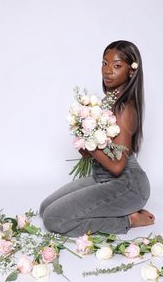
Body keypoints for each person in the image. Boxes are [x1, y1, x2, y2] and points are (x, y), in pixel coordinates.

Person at [39, 40, 155, 237]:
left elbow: (118, 166)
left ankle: (129, 219)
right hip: (103, 177)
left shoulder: (125, 108)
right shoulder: (107, 102)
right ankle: (121, 211)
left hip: (128, 185)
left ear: (131, 71)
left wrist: (90, 142)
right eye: (104, 63)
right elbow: (105, 150)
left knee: (54, 219)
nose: (108, 71)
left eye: (117, 66)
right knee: (45, 209)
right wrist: (86, 146)